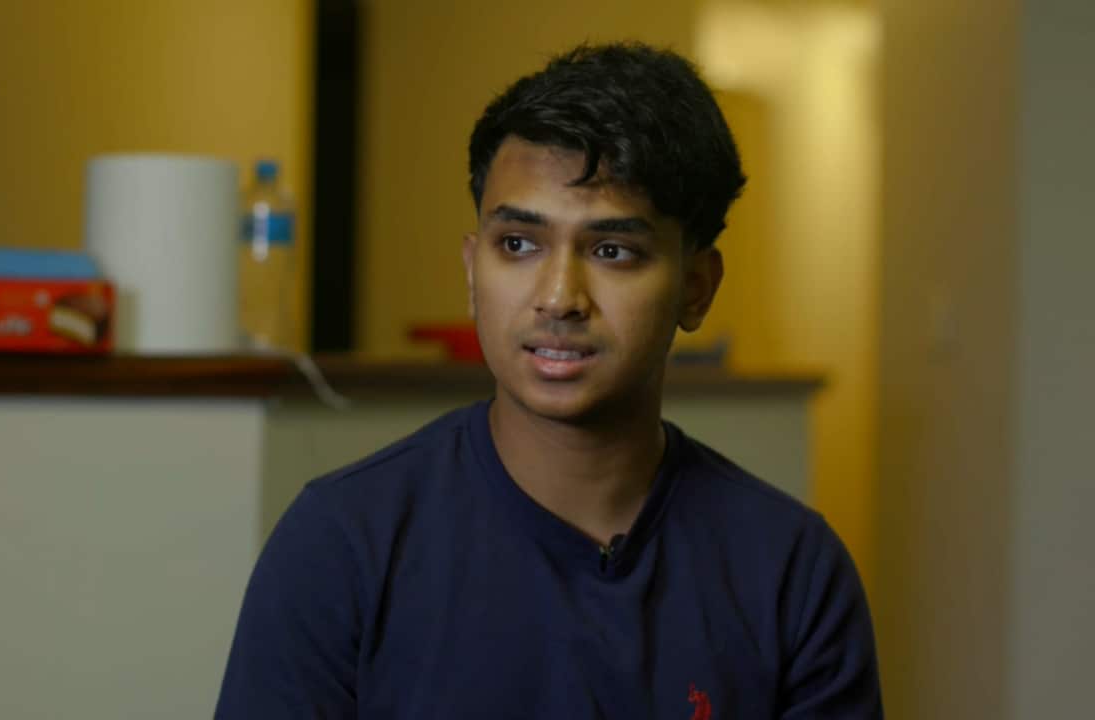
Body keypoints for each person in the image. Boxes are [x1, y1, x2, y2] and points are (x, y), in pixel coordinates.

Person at [215, 41, 882, 718]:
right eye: (519, 245)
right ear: (474, 272)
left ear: (696, 288)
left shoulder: (790, 571)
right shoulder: (344, 543)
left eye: (613, 250)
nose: (560, 296)